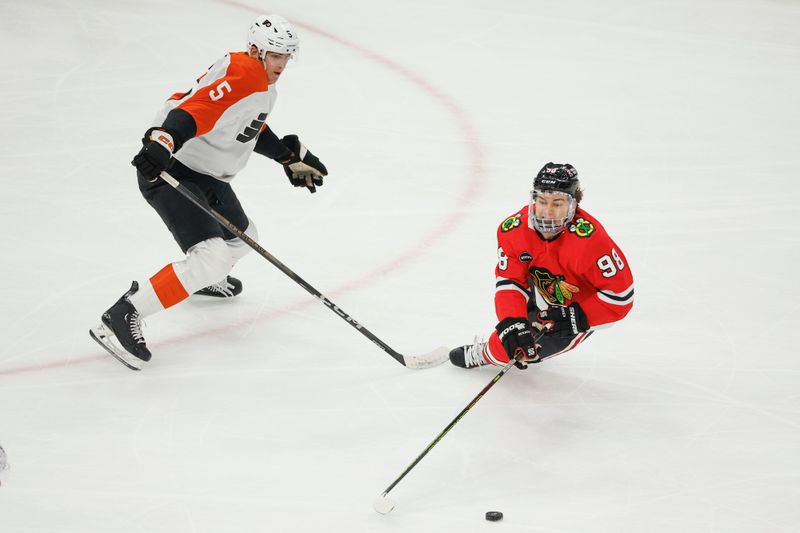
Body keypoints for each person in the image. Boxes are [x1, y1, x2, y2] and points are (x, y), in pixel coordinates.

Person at [90, 15, 328, 370]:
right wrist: (164, 140)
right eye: (275, 54)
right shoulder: (245, 70)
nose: (282, 64)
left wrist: (286, 157)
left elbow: (247, 126)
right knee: (212, 256)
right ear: (255, 50)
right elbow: (196, 110)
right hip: (172, 170)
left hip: (204, 176)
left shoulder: (260, 85)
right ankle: (123, 314)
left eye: (287, 56)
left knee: (244, 238)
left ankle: (199, 281)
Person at [449, 163, 634, 369]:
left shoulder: (591, 241)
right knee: (514, 336)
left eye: (557, 203)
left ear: (573, 205)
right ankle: (500, 344)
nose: (547, 211)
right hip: (543, 284)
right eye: (542, 201)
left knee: (518, 351)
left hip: (578, 304)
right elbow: (510, 282)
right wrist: (512, 323)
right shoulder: (513, 230)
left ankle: (487, 353)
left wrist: (577, 316)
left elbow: (620, 298)